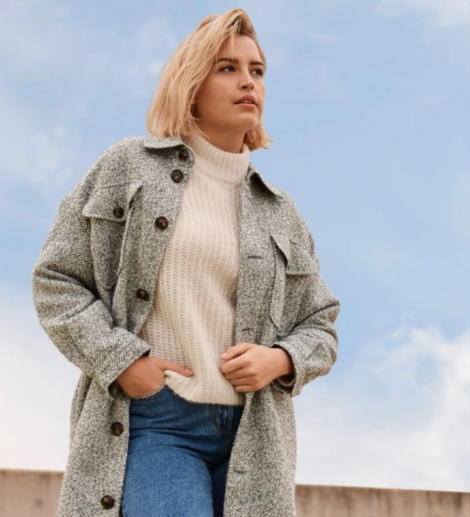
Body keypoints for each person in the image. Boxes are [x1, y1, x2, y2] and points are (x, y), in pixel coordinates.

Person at [32, 9, 339, 517]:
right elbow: (57, 280)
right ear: (191, 83)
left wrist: (279, 360)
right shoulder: (128, 167)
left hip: (253, 439)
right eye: (227, 68)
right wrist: (123, 361)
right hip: (157, 420)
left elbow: (320, 326)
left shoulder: (279, 210)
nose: (248, 82)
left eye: (257, 71)